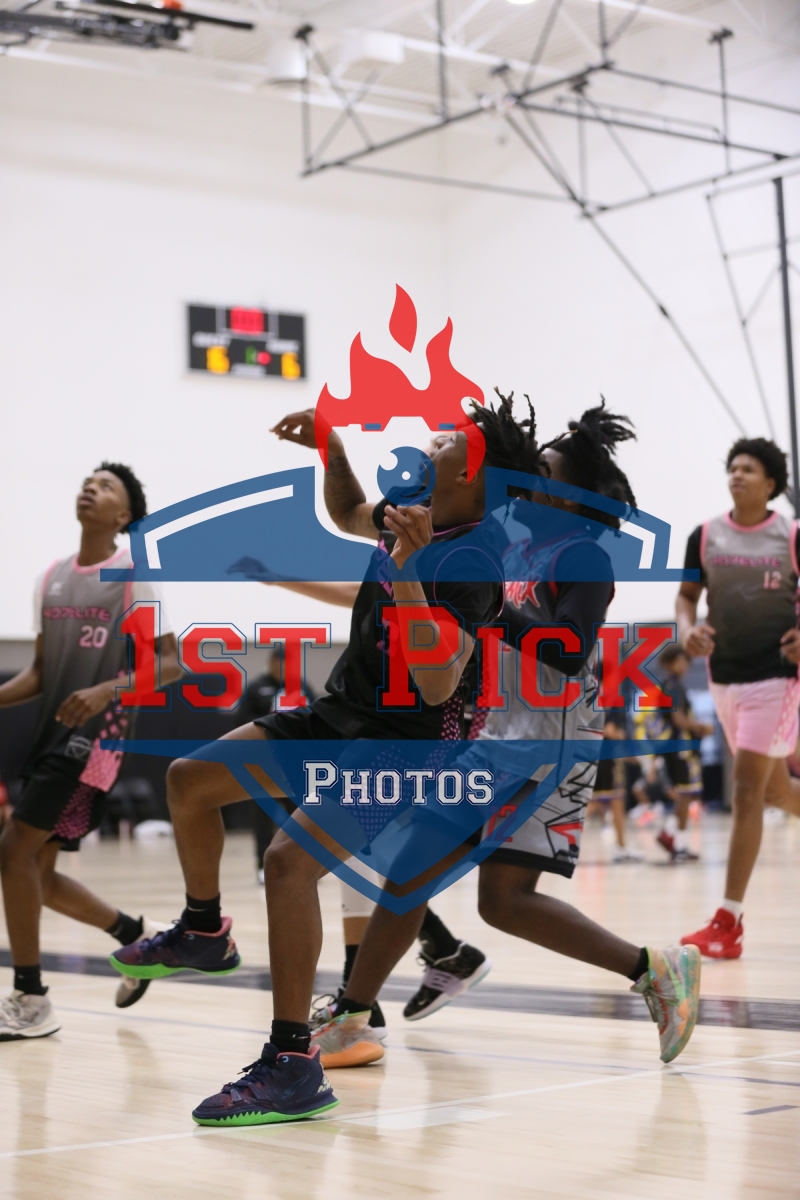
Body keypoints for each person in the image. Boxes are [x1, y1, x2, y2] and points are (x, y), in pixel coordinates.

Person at [110, 395, 536, 1126]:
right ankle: (204, 929)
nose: (428, 443)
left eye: (444, 442)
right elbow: (344, 511)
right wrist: (331, 446)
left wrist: (409, 570)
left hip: (406, 746)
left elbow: (437, 683)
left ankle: (292, 1064)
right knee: (189, 781)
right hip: (340, 715)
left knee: (289, 863)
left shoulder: (474, 563)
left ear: (470, 473)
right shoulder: (410, 511)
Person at [330, 403, 701, 1073]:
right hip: (499, 736)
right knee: (482, 896)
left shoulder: (583, 556)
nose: (528, 479)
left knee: (451, 883)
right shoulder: (509, 546)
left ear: (572, 496)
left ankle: (350, 1015)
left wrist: (495, 610)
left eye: (544, 472)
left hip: (549, 747)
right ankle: (655, 970)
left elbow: (570, 649)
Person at [0, 464, 180, 1041]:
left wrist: (107, 689)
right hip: (51, 738)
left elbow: (171, 663)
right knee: (37, 873)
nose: (90, 488)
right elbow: (40, 672)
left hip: (101, 739)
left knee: (13, 851)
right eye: (88, 481)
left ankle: (32, 997)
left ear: (123, 515)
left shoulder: (134, 577)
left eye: (105, 486)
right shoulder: (50, 578)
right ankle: (135, 937)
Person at [677, 437, 800, 958]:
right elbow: (686, 598)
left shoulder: (790, 535)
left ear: (770, 483)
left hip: (777, 677)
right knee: (774, 793)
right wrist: (687, 630)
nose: (737, 475)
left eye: (748, 469)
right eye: (733, 467)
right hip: (724, 676)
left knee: (746, 789)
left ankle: (728, 922)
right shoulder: (704, 536)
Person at [634, 645, 711, 863]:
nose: (683, 665)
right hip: (682, 748)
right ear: (669, 663)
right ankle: (676, 840)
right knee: (687, 794)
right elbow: (678, 719)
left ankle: (672, 837)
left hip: (672, 748)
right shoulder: (675, 686)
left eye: (685, 661)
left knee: (684, 794)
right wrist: (701, 727)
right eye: (679, 660)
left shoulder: (665, 686)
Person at [588, 711, 643, 863]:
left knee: (614, 802)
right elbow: (610, 731)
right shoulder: (613, 707)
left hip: (599, 757)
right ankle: (560, 837)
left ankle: (621, 846)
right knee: (601, 801)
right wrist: (622, 736)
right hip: (609, 762)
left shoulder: (595, 704)